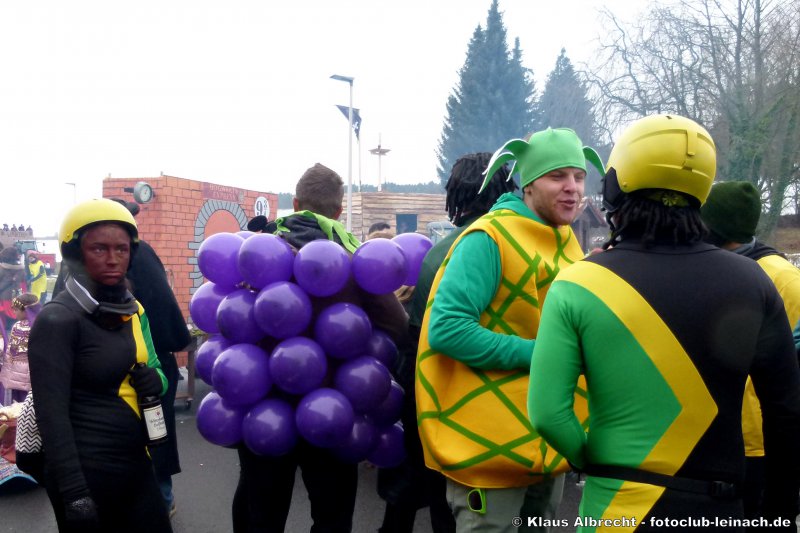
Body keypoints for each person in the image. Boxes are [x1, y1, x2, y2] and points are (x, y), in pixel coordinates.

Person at [528, 114, 800, 531]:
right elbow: (786, 413)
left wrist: (593, 461)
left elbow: (548, 414)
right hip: (718, 509)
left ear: (616, 187)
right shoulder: (753, 281)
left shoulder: (576, 283)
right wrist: (778, 513)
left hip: (615, 509)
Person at [416, 129, 604, 532]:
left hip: (548, 442)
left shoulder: (564, 239)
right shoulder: (489, 237)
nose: (572, 188)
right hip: (489, 448)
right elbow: (447, 328)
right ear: (529, 182)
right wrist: (544, 355)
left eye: (579, 176)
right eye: (557, 176)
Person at [232, 163, 408, 533]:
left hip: (264, 405)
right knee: (332, 517)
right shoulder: (354, 259)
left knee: (260, 514)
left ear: (296, 204)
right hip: (332, 407)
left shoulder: (254, 253)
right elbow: (396, 325)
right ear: (339, 211)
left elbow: (226, 318)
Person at [378, 152, 517, 533]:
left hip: (443, 398)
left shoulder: (441, 251)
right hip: (506, 401)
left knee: (439, 498)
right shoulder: (518, 243)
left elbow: (417, 340)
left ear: (456, 194)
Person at [28, 198, 173, 533]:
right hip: (86, 474)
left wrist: (157, 381)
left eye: (122, 249)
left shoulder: (133, 310)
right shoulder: (57, 320)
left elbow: (157, 368)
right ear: (76, 253)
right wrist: (74, 494)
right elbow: (51, 417)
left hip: (136, 464)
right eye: (99, 249)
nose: (113, 259)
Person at [700, 180, 800, 522]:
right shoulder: (718, 268)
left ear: (714, 226)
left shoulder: (783, 278)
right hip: (721, 432)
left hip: (760, 439)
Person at [0, 293, 39, 405]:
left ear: (26, 310)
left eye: (16, 310)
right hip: (17, 372)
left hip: (24, 373)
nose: (14, 312)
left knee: (23, 402)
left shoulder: (35, 327)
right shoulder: (18, 325)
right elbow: (10, 348)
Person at [0, 248, 26, 334]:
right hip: (17, 295)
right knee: (15, 313)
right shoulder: (21, 269)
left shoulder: (2, 268)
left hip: (4, 297)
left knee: (5, 315)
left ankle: (6, 332)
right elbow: (24, 283)